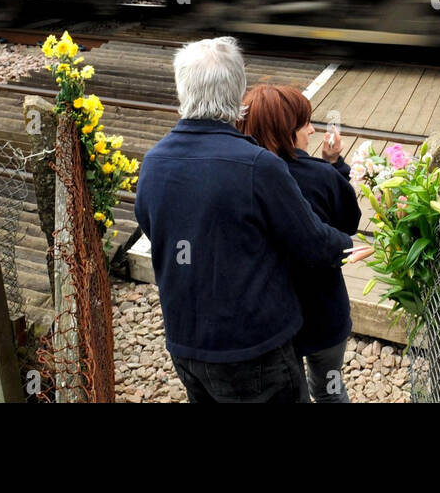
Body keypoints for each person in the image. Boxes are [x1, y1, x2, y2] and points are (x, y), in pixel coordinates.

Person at [134, 37, 368, 403]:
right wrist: (347, 245)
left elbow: (157, 231)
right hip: (253, 352)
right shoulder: (258, 166)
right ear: (236, 93)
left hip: (185, 345)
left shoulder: (154, 162)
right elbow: (310, 240)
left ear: (182, 89)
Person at [238, 84, 360, 403]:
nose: (313, 129)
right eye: (305, 123)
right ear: (285, 131)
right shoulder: (322, 175)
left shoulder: (242, 177)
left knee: (293, 394)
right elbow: (349, 223)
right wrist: (334, 165)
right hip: (325, 315)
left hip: (273, 322)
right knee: (330, 388)